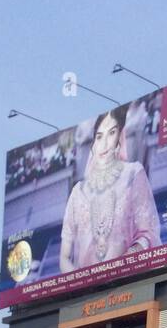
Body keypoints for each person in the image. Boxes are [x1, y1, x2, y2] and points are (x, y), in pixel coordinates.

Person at [59, 105, 159, 272]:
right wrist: (80, 284)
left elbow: (148, 233)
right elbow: (64, 257)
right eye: (99, 136)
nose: (104, 143)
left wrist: (124, 262)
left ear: (120, 138)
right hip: (88, 293)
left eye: (111, 133)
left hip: (127, 285)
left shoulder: (133, 174)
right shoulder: (78, 192)